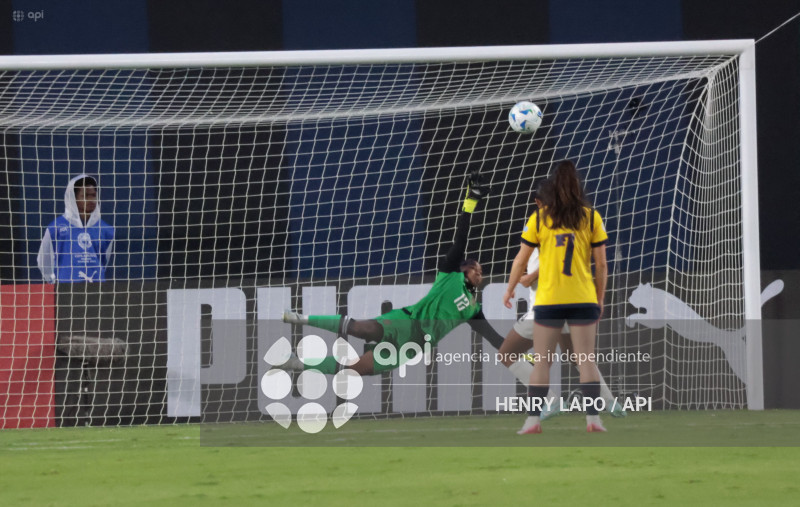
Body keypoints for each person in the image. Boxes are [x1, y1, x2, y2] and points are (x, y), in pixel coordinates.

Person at [278, 172, 511, 376]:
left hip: (415, 345)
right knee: (362, 329)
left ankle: (295, 363)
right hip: (406, 323)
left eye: (481, 272)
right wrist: (470, 202)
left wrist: (519, 355)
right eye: (475, 268)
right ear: (463, 268)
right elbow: (461, 239)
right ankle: (301, 318)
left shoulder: (473, 310)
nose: (480, 273)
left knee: (357, 369)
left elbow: (495, 339)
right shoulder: (450, 275)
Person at [497, 181, 624, 422]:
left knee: (507, 353)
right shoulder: (571, 224)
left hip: (546, 307)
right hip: (572, 304)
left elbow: (551, 263)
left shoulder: (543, 224)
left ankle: (551, 400)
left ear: (539, 203)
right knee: (579, 358)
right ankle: (609, 402)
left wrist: (525, 279)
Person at [37, 174, 114, 283]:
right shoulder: (55, 228)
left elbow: (104, 262)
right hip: (65, 291)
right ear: (73, 198)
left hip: (98, 291)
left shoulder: (106, 230)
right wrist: (53, 282)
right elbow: (44, 262)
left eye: (93, 195)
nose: (91, 200)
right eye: (86, 196)